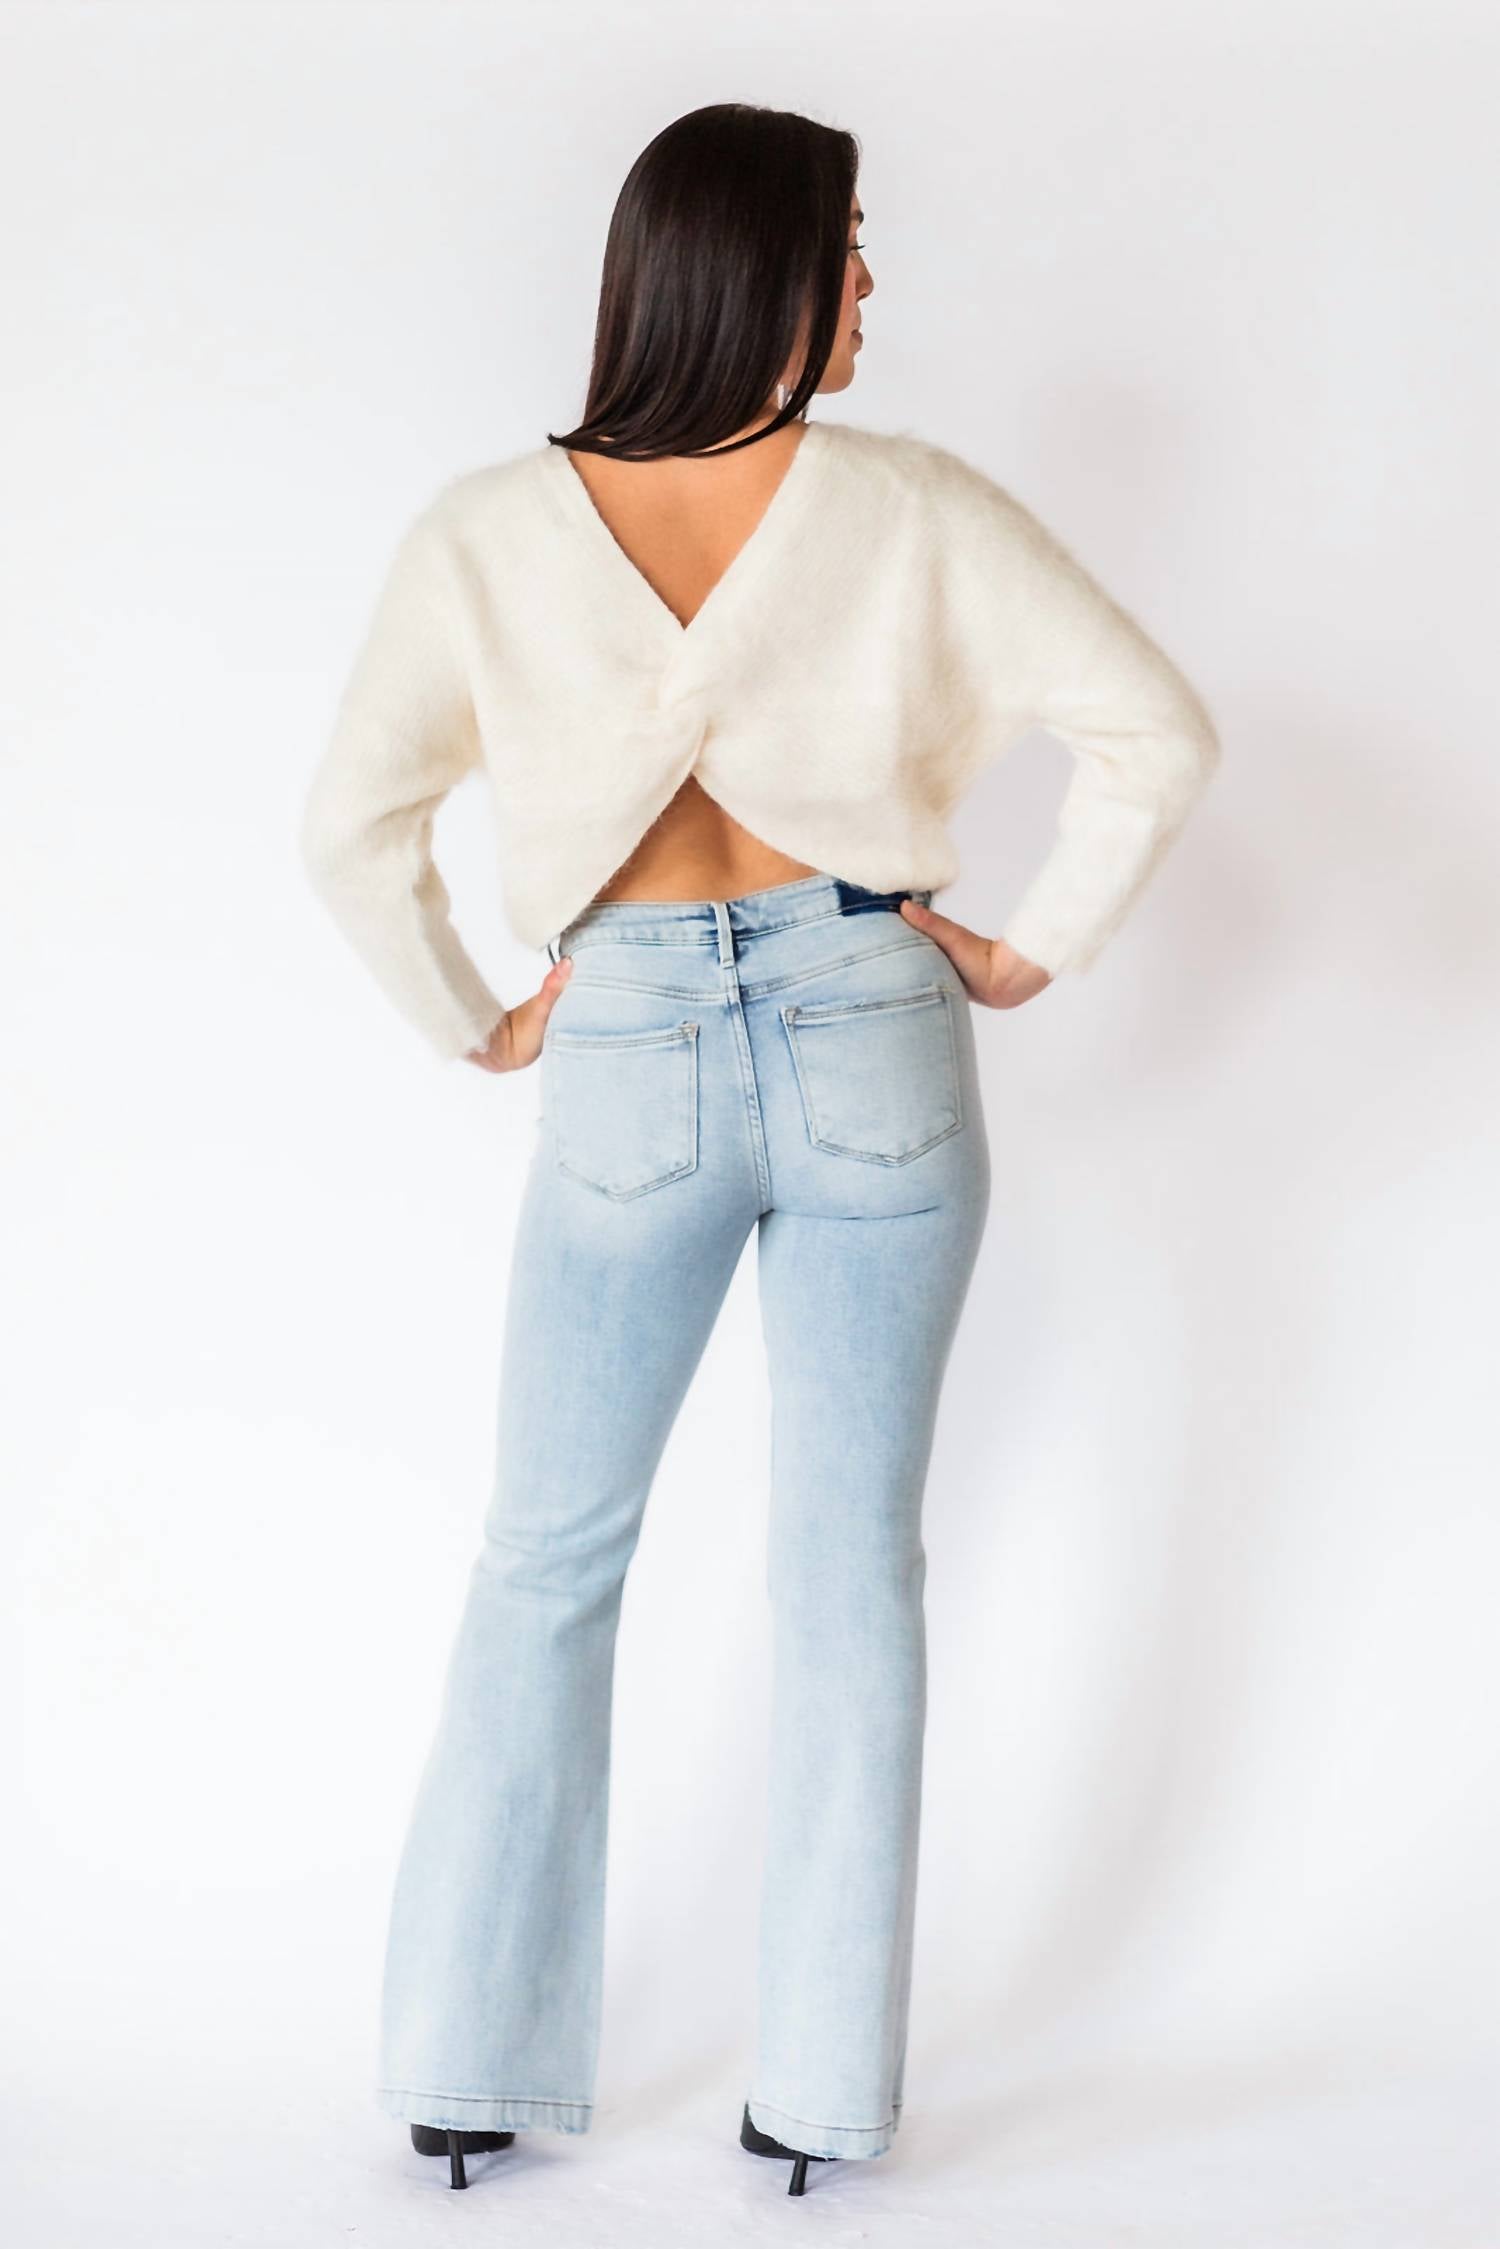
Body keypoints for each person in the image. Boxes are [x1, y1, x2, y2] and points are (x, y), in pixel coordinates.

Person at [299, 102, 1222, 2198]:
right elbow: (1156, 730)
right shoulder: (909, 508)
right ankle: (818, 2099)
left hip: (626, 1042)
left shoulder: (482, 537)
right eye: (847, 245)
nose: (871, 281)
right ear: (758, 270)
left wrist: (484, 1017)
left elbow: (348, 830)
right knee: (851, 1574)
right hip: (877, 1023)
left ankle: (467, 2065)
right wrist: (1028, 950)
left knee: (549, 1556)